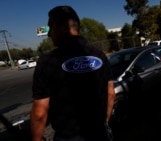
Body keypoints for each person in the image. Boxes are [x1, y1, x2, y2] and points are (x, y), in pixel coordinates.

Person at [30, 5, 115, 141]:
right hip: (99, 133)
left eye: (51, 27)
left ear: (64, 28)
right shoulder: (100, 56)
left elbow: (40, 113)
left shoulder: (47, 62)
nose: (49, 33)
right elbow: (111, 93)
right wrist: (103, 122)